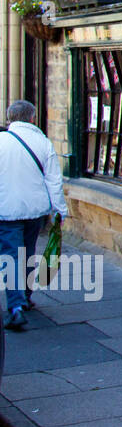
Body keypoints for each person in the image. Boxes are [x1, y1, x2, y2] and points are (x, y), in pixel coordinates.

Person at [0, 100, 67, 330]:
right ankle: (25, 297)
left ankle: (16, 308)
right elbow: (54, 181)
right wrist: (60, 210)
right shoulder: (43, 142)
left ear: (10, 118)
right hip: (35, 210)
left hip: (7, 210)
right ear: (32, 118)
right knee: (27, 252)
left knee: (11, 257)